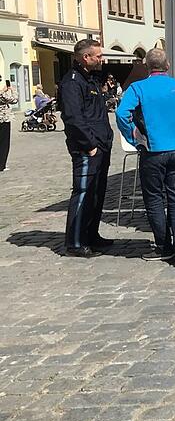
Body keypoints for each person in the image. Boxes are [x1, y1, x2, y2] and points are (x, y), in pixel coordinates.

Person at [116, 49, 175, 262]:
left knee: (154, 199)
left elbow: (121, 114)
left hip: (153, 150)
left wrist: (134, 137)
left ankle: (163, 246)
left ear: (148, 67)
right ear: (168, 65)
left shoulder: (138, 87)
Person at [59, 39, 114, 258]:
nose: (102, 59)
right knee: (83, 192)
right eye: (98, 56)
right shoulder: (72, 82)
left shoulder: (89, 78)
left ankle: (92, 235)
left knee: (96, 193)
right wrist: (89, 145)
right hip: (87, 148)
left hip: (101, 144)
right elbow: (73, 118)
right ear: (86, 58)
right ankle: (75, 242)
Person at [0, 80, 15, 172]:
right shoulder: (2, 94)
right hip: (3, 119)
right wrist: (11, 90)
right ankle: (1, 165)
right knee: (4, 142)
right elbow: (13, 99)